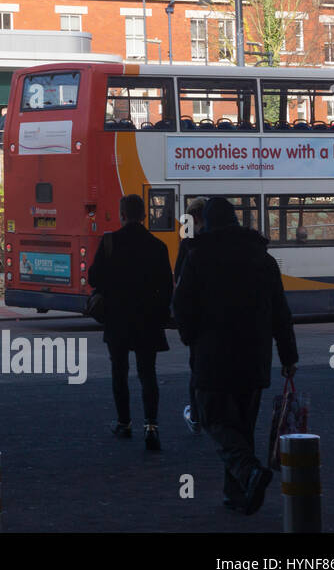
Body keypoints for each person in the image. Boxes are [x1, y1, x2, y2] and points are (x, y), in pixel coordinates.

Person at [173, 197, 299, 516]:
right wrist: (288, 355)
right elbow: (280, 314)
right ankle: (238, 494)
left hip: (212, 357)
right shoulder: (263, 259)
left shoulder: (198, 258)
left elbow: (182, 306)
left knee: (214, 418)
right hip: (254, 358)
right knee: (242, 427)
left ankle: (250, 474)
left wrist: (192, 338)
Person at [87, 193, 174, 451]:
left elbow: (93, 278)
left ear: (121, 215)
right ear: (144, 215)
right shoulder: (158, 246)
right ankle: (151, 426)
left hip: (118, 319)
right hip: (147, 320)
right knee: (148, 374)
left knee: (119, 372)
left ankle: (124, 423)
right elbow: (166, 288)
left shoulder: (110, 242)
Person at [173, 197, 207, 435]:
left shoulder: (189, 244)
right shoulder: (224, 242)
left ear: (194, 218)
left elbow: (179, 280)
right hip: (223, 321)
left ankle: (196, 416)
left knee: (197, 369)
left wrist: (184, 329)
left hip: (199, 319)